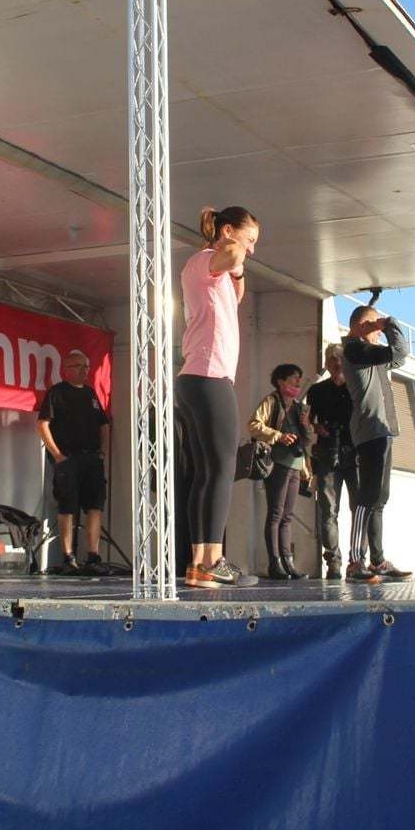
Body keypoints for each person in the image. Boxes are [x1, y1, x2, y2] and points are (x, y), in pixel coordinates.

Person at [175, 205, 260, 588]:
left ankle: (200, 563)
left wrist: (238, 266)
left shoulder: (214, 270)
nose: (251, 249)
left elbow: (237, 290)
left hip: (200, 377)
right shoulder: (204, 260)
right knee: (223, 471)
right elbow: (233, 254)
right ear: (227, 231)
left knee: (208, 473)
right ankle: (212, 560)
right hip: (209, 377)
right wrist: (233, 245)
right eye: (250, 238)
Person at [341, 306, 415, 583]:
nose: (378, 334)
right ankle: (355, 562)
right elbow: (400, 349)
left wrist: (384, 327)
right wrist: (389, 323)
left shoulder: (371, 355)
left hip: (383, 430)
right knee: (366, 498)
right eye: (374, 328)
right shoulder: (355, 350)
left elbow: (400, 356)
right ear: (363, 326)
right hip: (370, 430)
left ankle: (378, 560)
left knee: (379, 499)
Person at [36, 349, 111, 576]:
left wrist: (102, 452)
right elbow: (42, 424)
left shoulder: (90, 393)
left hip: (91, 458)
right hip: (68, 458)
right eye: (79, 366)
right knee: (67, 507)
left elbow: (103, 424)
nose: (85, 371)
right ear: (66, 369)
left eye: (86, 366)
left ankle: (93, 557)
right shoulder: (57, 392)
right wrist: (58, 455)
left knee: (95, 507)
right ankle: (68, 557)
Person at [248, 363, 312, 580]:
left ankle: (288, 562)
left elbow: (306, 441)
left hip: (295, 465)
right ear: (280, 381)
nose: (298, 381)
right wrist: (279, 436)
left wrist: (306, 425)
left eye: (299, 377)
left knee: (287, 516)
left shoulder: (299, 406)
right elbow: (254, 425)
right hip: (276, 463)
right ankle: (275, 563)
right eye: (293, 377)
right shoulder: (272, 401)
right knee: (276, 513)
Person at [306, 343, 357, 579]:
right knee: (328, 511)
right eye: (332, 359)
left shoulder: (357, 387)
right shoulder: (316, 391)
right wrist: (317, 427)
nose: (336, 363)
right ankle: (333, 562)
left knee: (359, 509)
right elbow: (309, 420)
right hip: (327, 453)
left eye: (340, 359)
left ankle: (357, 560)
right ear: (326, 363)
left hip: (355, 454)